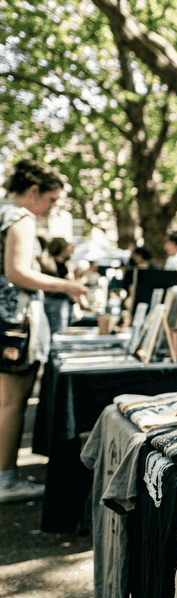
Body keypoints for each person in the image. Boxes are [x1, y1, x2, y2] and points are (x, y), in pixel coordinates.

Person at [0, 159, 87, 502]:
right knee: (13, 401)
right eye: (51, 200)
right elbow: (18, 272)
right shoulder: (19, 217)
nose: (52, 208)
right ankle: (7, 479)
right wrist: (65, 287)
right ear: (33, 191)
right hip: (15, 321)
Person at [40, 237, 75, 334]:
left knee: (62, 329)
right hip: (55, 300)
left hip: (63, 301)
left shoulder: (65, 263)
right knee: (57, 331)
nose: (70, 250)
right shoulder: (49, 263)